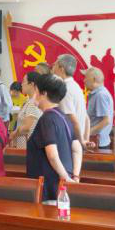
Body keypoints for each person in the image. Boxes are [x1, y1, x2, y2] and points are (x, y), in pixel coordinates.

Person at [27, 74, 82, 202]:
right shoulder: (63, 116)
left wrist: (66, 179)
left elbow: (52, 155)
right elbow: (77, 149)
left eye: (35, 90)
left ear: (43, 93)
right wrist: (74, 177)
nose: (33, 95)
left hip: (48, 187)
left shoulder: (47, 119)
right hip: (61, 185)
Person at [52, 54, 89, 148]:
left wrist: (81, 142)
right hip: (73, 141)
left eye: (55, 64)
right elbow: (86, 118)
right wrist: (83, 139)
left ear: (61, 69)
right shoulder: (75, 86)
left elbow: (73, 120)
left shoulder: (66, 89)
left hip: (69, 143)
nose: (53, 66)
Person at [10, 72, 43, 149]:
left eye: (23, 81)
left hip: (28, 147)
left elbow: (27, 127)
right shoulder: (29, 100)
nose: (21, 84)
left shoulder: (33, 103)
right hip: (24, 146)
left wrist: (14, 134)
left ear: (31, 84)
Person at [83, 67, 113, 149]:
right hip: (96, 142)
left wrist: (88, 133)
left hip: (97, 144)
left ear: (94, 79)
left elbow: (106, 121)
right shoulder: (99, 94)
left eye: (86, 77)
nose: (84, 80)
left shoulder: (100, 95)